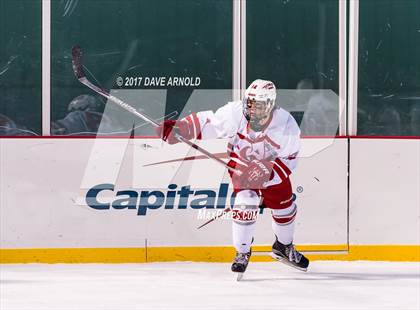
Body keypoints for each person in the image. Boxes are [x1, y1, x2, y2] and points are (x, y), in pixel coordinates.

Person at [156, 79, 309, 274]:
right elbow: (210, 122)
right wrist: (181, 128)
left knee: (285, 206)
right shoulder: (235, 112)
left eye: (258, 104)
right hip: (242, 165)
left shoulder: (286, 124)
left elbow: (290, 158)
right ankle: (242, 252)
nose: (252, 109)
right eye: (250, 103)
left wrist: (268, 173)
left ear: (270, 105)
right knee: (246, 201)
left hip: (273, 170)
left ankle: (284, 246)